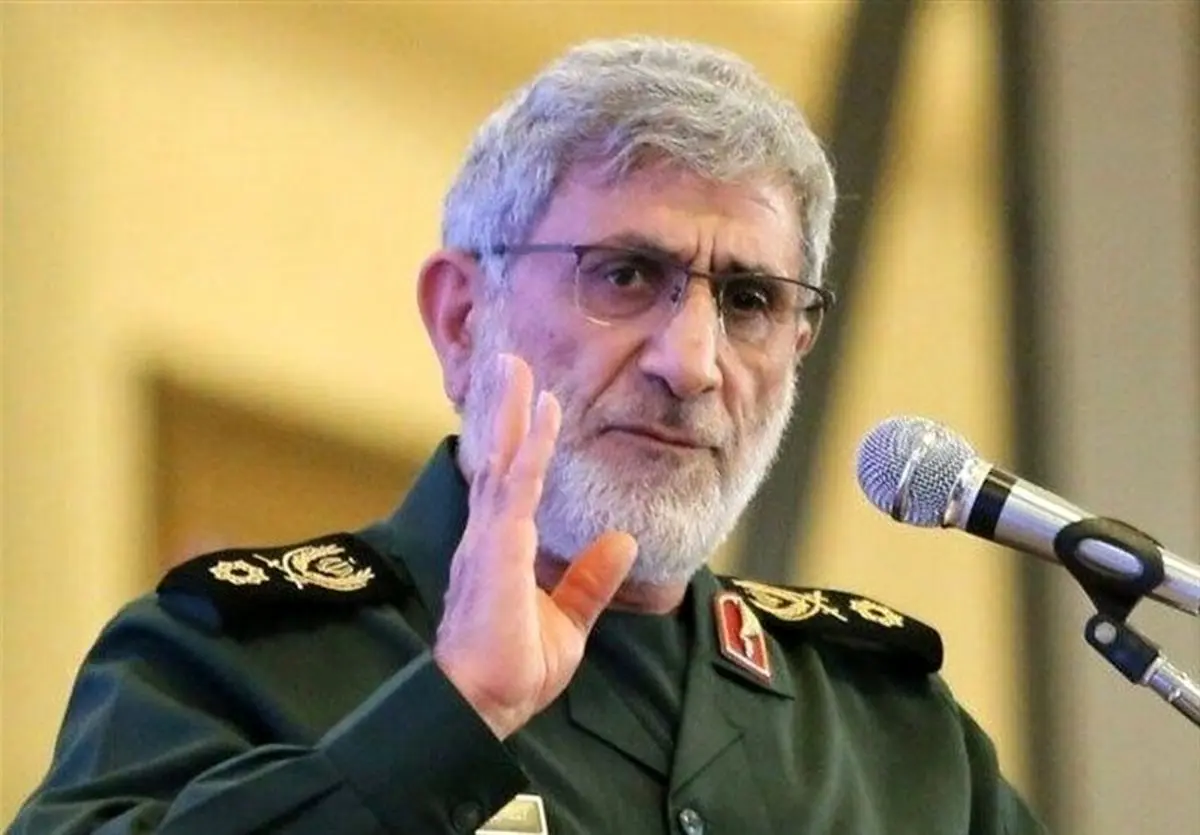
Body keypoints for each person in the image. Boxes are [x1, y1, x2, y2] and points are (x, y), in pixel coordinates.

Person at [8, 36, 1046, 834]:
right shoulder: (233, 659)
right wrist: (446, 717)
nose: (693, 361)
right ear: (463, 318)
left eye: (750, 300)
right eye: (626, 275)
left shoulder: (897, 737)